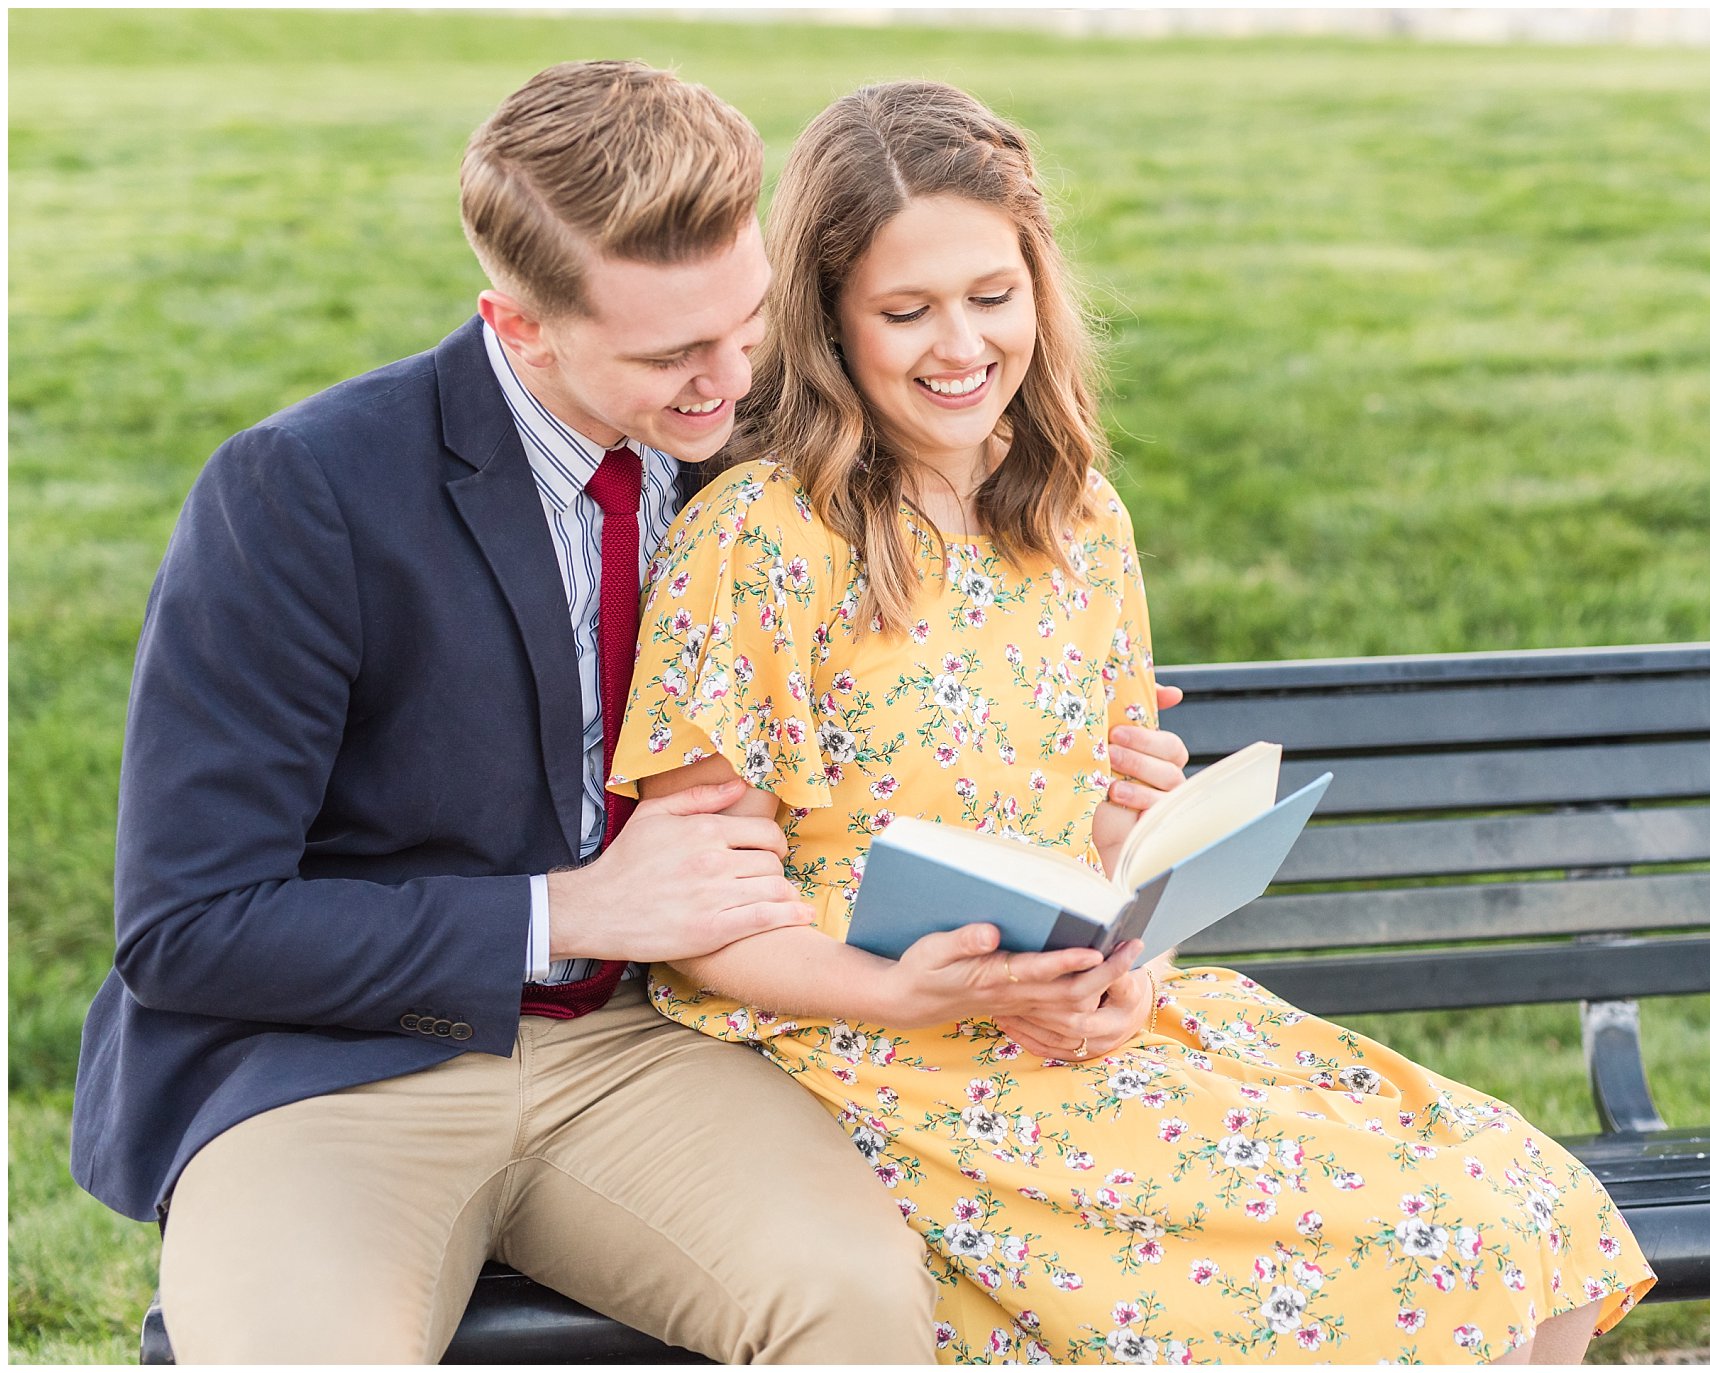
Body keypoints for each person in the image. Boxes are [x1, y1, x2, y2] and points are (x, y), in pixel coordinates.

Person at [70, 60, 1200, 1364]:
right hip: (338, 1068)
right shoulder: (303, 495)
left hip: (647, 1051)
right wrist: (572, 907)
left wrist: (1078, 748)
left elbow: (945, 619)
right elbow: (190, 926)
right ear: (520, 325)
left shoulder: (764, 446)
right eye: (673, 353)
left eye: (748, 321)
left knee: (860, 1302)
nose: (731, 385)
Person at [607, 80, 1659, 1365]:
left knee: (1526, 1206)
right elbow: (702, 924)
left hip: (1075, 1025)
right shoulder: (765, 538)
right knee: (1424, 1246)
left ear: (1038, 285)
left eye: (991, 297)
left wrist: (1128, 962)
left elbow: (1109, 834)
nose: (959, 346)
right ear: (826, 320)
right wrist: (901, 989)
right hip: (871, 1056)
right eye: (905, 311)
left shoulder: (1074, 516)